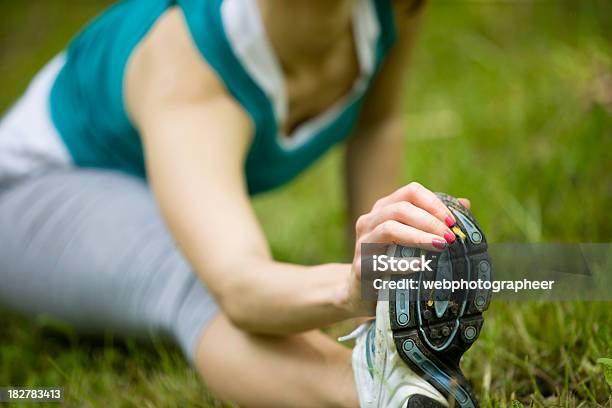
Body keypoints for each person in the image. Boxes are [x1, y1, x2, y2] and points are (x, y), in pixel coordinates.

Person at [0, 0, 479, 406]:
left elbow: (376, 123)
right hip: (30, 192)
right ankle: (379, 393)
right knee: (192, 283)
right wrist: (349, 286)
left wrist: (375, 308)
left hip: (145, 184)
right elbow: (240, 287)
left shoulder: (388, 9)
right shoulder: (190, 60)